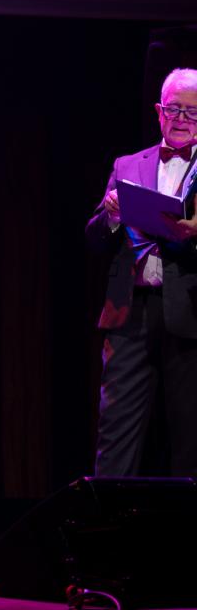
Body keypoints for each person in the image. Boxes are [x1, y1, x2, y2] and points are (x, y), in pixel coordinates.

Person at [86, 67, 197, 480]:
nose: (182, 119)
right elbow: (94, 238)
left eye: (193, 112)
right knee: (116, 430)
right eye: (174, 109)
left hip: (190, 311)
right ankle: (108, 519)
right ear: (158, 111)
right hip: (130, 311)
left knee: (190, 433)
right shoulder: (128, 164)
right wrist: (112, 215)